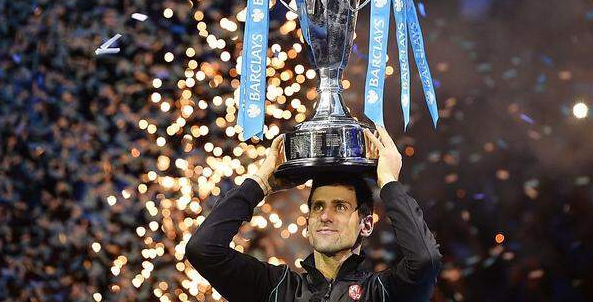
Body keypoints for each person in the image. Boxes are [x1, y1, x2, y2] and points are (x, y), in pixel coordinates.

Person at [185, 126, 442, 301]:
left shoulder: (383, 293)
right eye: (317, 206)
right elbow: (203, 250)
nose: (325, 216)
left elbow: (425, 260)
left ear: (366, 225)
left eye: (340, 206)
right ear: (307, 224)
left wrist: (388, 181)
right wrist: (259, 183)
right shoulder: (277, 289)